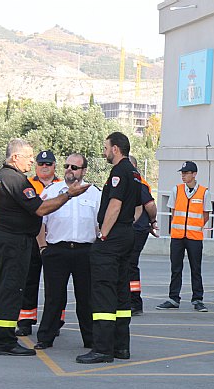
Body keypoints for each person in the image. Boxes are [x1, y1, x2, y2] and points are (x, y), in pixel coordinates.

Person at [0, 138, 90, 356]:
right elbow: (41, 209)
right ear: (15, 157)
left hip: (0, 237)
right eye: (29, 157)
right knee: (11, 288)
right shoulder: (16, 180)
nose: (33, 161)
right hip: (14, 241)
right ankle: (6, 340)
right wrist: (68, 195)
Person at [76, 132, 141, 364]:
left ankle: (102, 349)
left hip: (113, 238)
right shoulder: (134, 172)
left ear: (115, 149)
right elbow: (141, 204)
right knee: (122, 293)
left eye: (106, 148)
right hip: (126, 234)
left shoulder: (119, 171)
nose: (104, 152)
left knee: (103, 292)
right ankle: (121, 346)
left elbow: (115, 205)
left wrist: (103, 233)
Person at [34, 154, 101, 350]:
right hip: (56, 251)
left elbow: (101, 222)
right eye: (67, 166)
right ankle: (45, 337)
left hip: (85, 251)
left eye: (75, 167)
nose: (70, 169)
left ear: (84, 171)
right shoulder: (52, 191)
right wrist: (43, 247)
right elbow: (40, 220)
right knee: (54, 297)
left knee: (86, 298)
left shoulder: (94, 193)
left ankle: (90, 339)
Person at [15, 150, 61, 337]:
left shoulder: (62, 185)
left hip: (56, 239)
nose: (44, 167)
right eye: (41, 164)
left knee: (55, 285)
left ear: (54, 166)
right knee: (29, 281)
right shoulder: (27, 184)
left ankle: (55, 322)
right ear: (36, 166)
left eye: (48, 164)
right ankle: (25, 321)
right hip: (32, 239)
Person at [156, 161, 211, 312]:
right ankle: (174, 298)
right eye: (182, 173)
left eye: (186, 173)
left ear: (194, 174)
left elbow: (205, 215)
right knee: (176, 268)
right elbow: (173, 212)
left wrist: (195, 226)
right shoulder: (177, 190)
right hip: (178, 236)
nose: (183, 176)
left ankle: (198, 299)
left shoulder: (204, 192)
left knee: (196, 269)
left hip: (194, 237)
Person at [128, 155, 158, 316]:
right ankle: (131, 299)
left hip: (137, 229)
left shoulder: (138, 183)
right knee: (128, 265)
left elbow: (149, 205)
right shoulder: (133, 182)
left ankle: (135, 301)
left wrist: (152, 221)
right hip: (136, 228)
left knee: (130, 265)